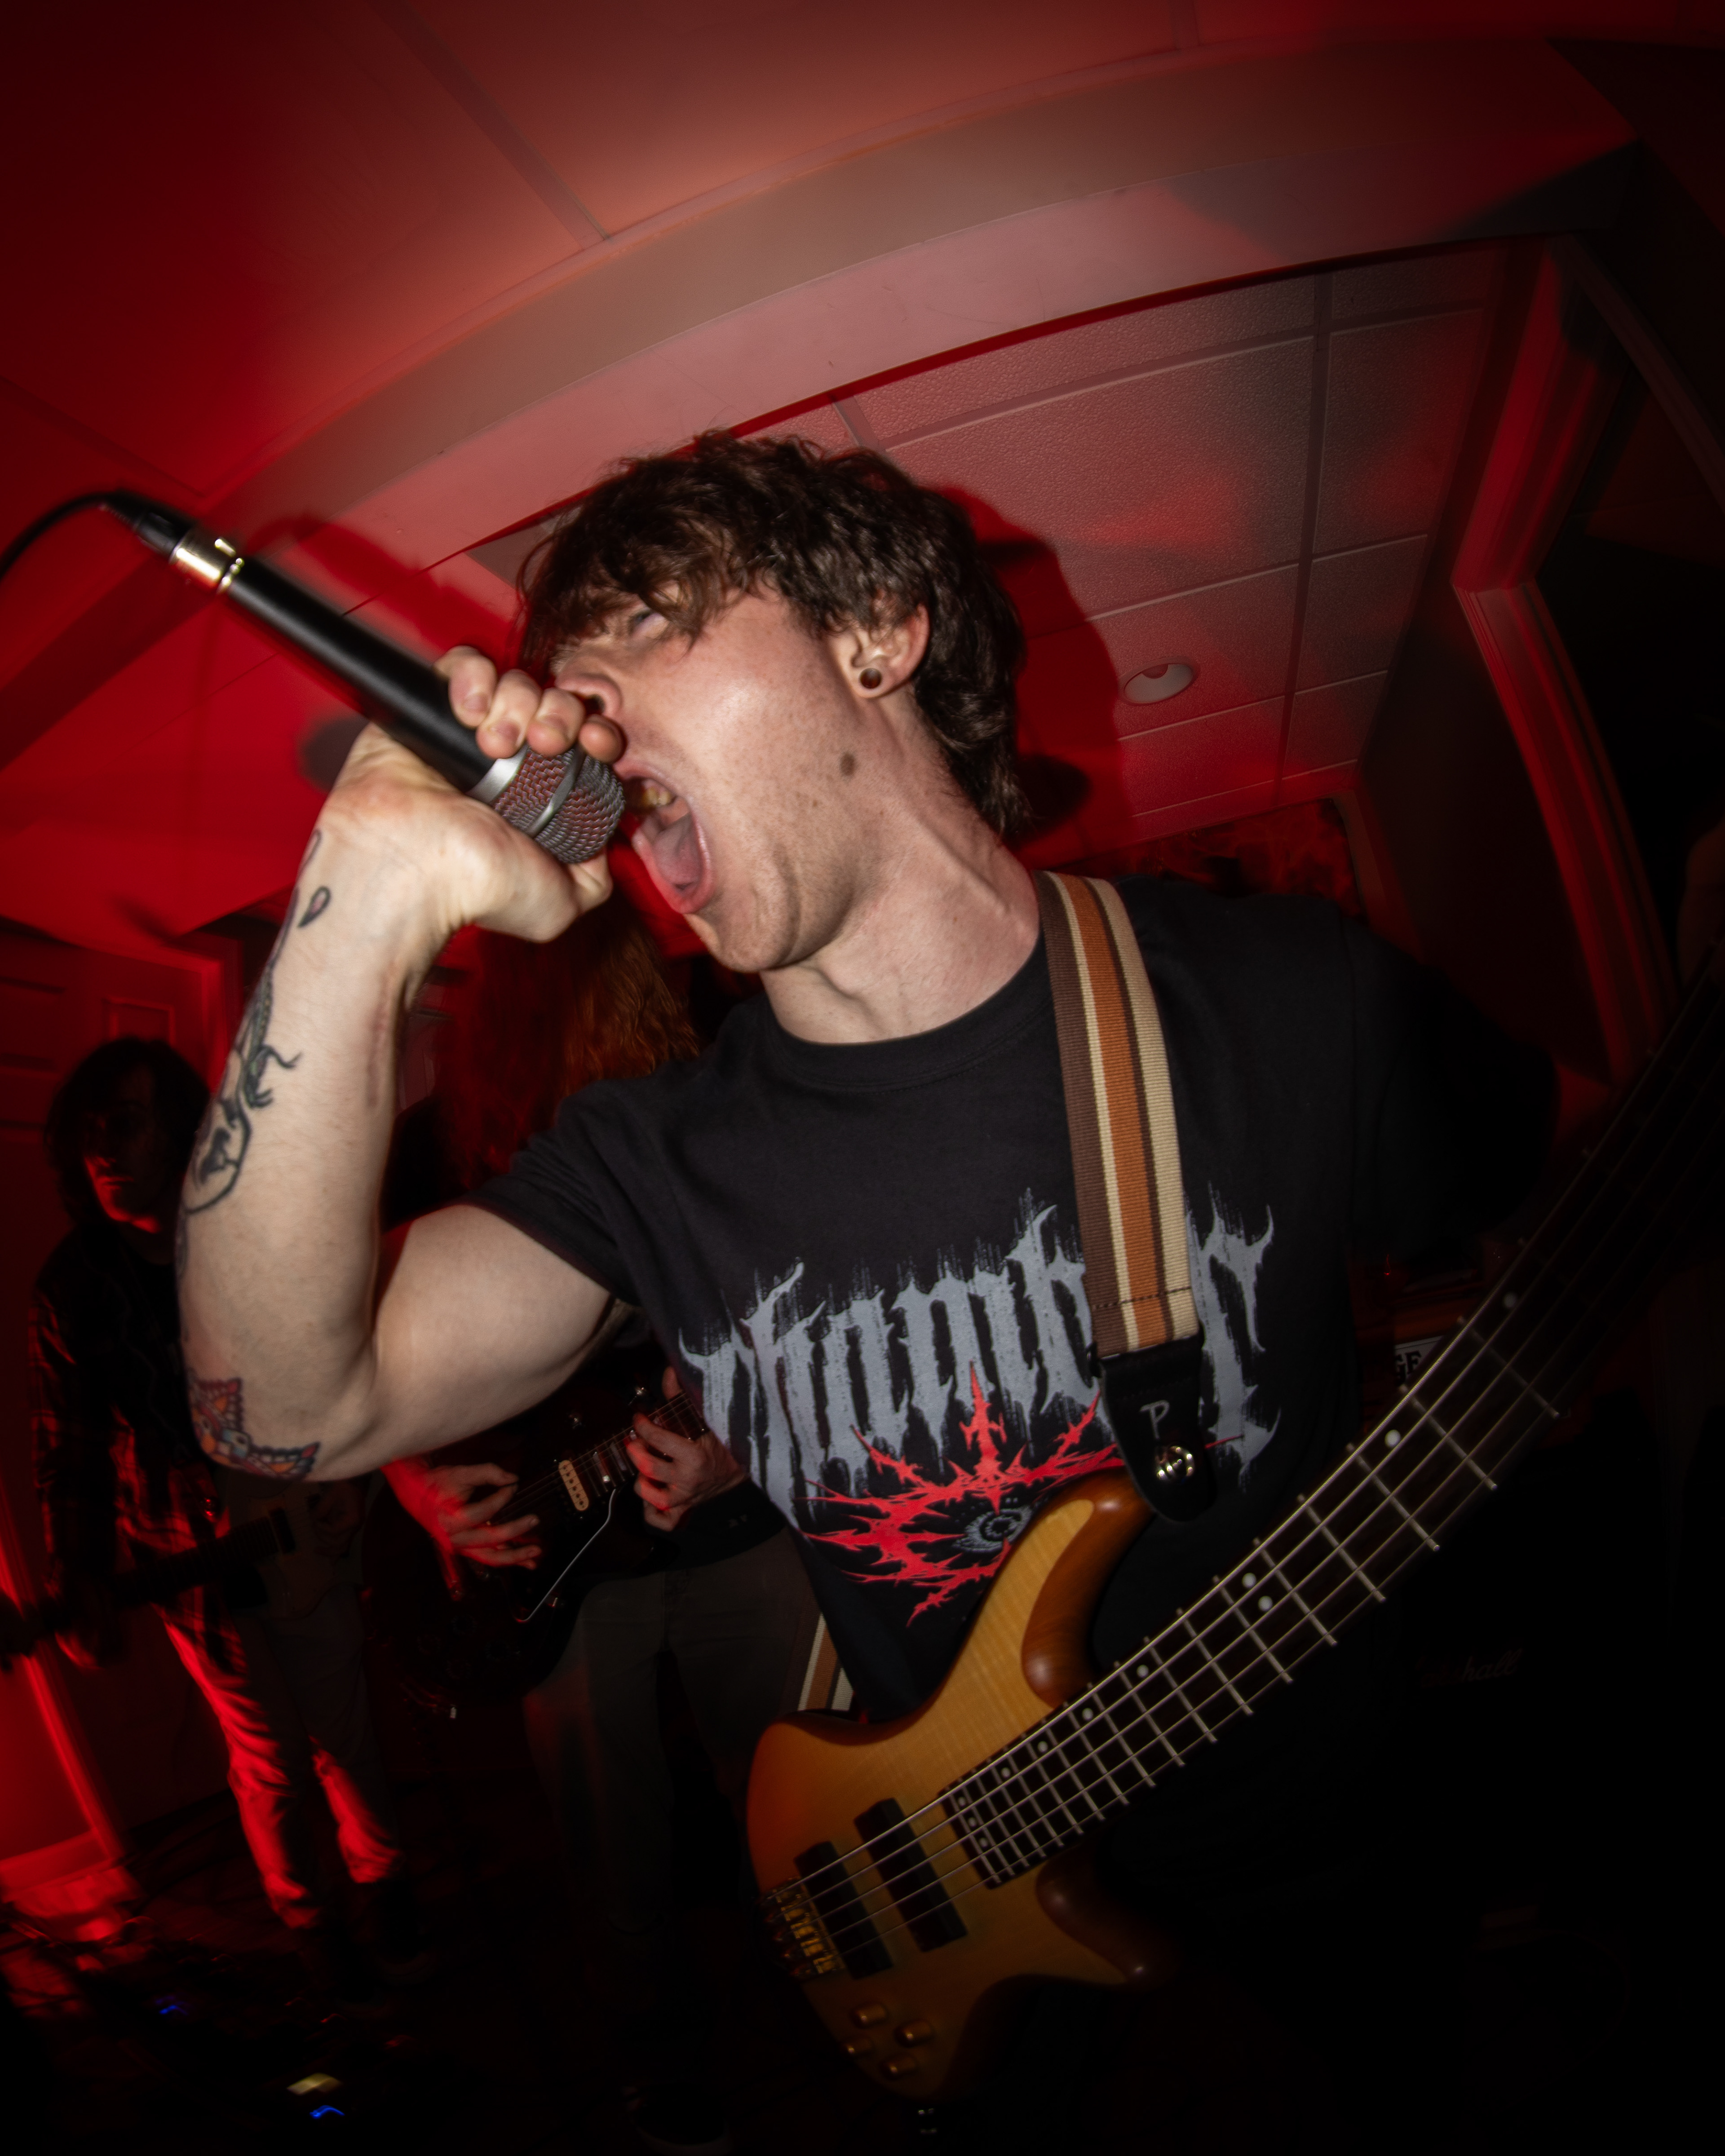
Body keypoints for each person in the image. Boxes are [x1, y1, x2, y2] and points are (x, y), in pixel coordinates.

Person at [175, 435, 1559, 2140]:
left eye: (646, 628)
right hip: (967, 1920)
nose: (576, 719)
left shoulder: (1290, 998)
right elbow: (276, 1408)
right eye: (567, 679)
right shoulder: (650, 1160)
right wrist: (364, 884)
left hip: (1329, 1890)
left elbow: (1561, 1182)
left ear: (879, 633)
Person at [376, 900, 819, 2156]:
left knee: (795, 1785)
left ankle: (832, 1994)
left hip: (735, 1522)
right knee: (606, 1826)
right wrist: (413, 1483)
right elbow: (359, 1351)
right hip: (550, 1546)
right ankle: (653, 2052)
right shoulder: (436, 1142)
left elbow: (808, 1302)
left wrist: (739, 1442)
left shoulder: (714, 1110)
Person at [28, 1038, 425, 2008]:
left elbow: (344, 1356)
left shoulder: (254, 1233)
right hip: (185, 1553)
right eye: (88, 1132)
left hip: (298, 1523)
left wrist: (353, 1476)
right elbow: (70, 1450)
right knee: (269, 1756)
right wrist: (78, 1576)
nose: (102, 1149)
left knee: (344, 1729)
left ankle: (385, 1886)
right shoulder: (72, 1287)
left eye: (124, 1123)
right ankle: (309, 1920)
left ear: (178, 1127)